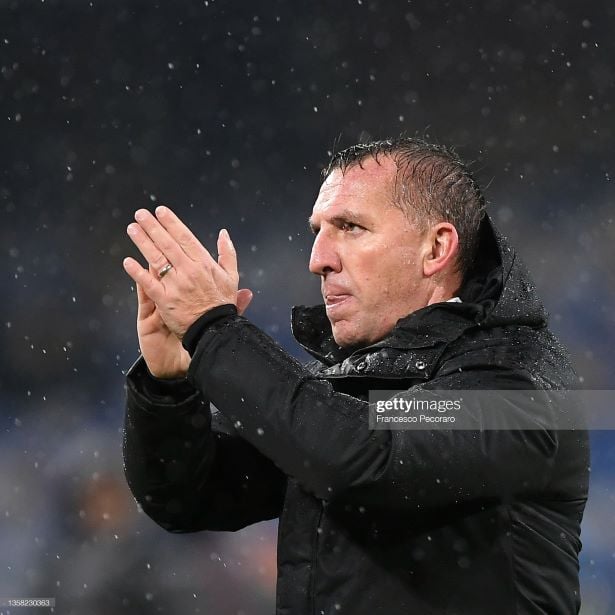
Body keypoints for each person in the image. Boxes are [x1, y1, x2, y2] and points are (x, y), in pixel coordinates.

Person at [122, 138, 589, 614]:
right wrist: (170, 387)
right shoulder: (352, 386)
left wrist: (214, 331)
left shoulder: (518, 383)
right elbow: (188, 496)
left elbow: (366, 456)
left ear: (436, 248)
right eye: (318, 230)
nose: (318, 258)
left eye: (349, 227)